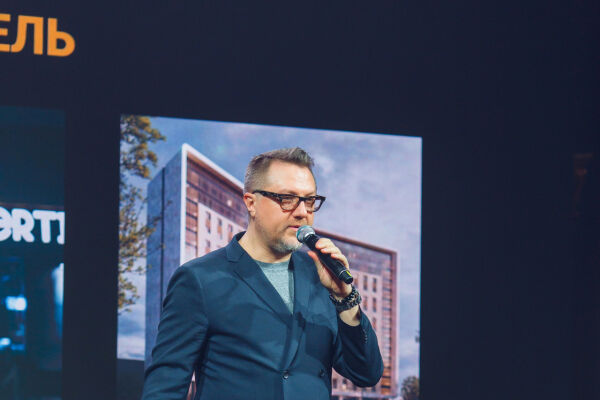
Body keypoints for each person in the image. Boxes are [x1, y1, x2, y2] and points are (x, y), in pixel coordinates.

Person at [142, 147, 383, 400]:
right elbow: (164, 389)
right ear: (251, 203)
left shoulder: (322, 276)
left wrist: (346, 300)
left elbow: (366, 374)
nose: (302, 212)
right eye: (287, 198)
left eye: (310, 201)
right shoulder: (199, 279)